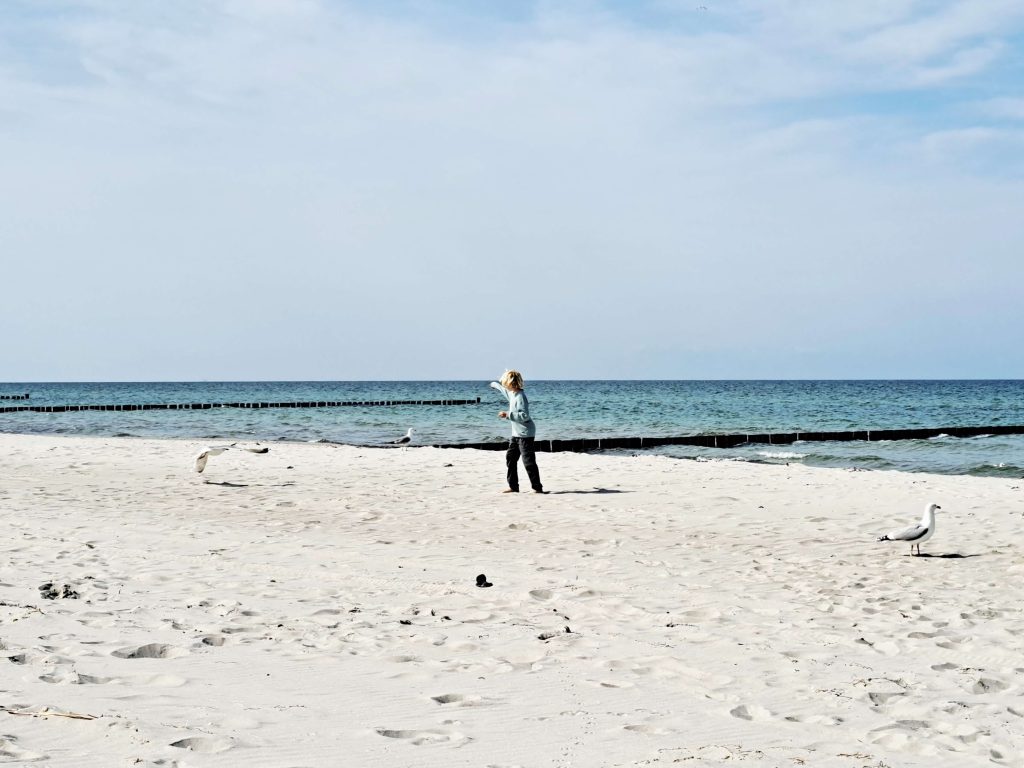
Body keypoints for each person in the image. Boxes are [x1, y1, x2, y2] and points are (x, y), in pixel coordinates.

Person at [490, 370, 546, 494]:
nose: (504, 385)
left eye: (505, 383)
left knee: (528, 462)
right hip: (516, 435)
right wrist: (495, 385)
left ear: (511, 383)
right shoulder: (512, 394)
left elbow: (525, 415)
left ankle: (537, 488)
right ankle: (513, 487)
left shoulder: (520, 397)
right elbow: (504, 391)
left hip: (525, 434)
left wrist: (507, 415)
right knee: (510, 458)